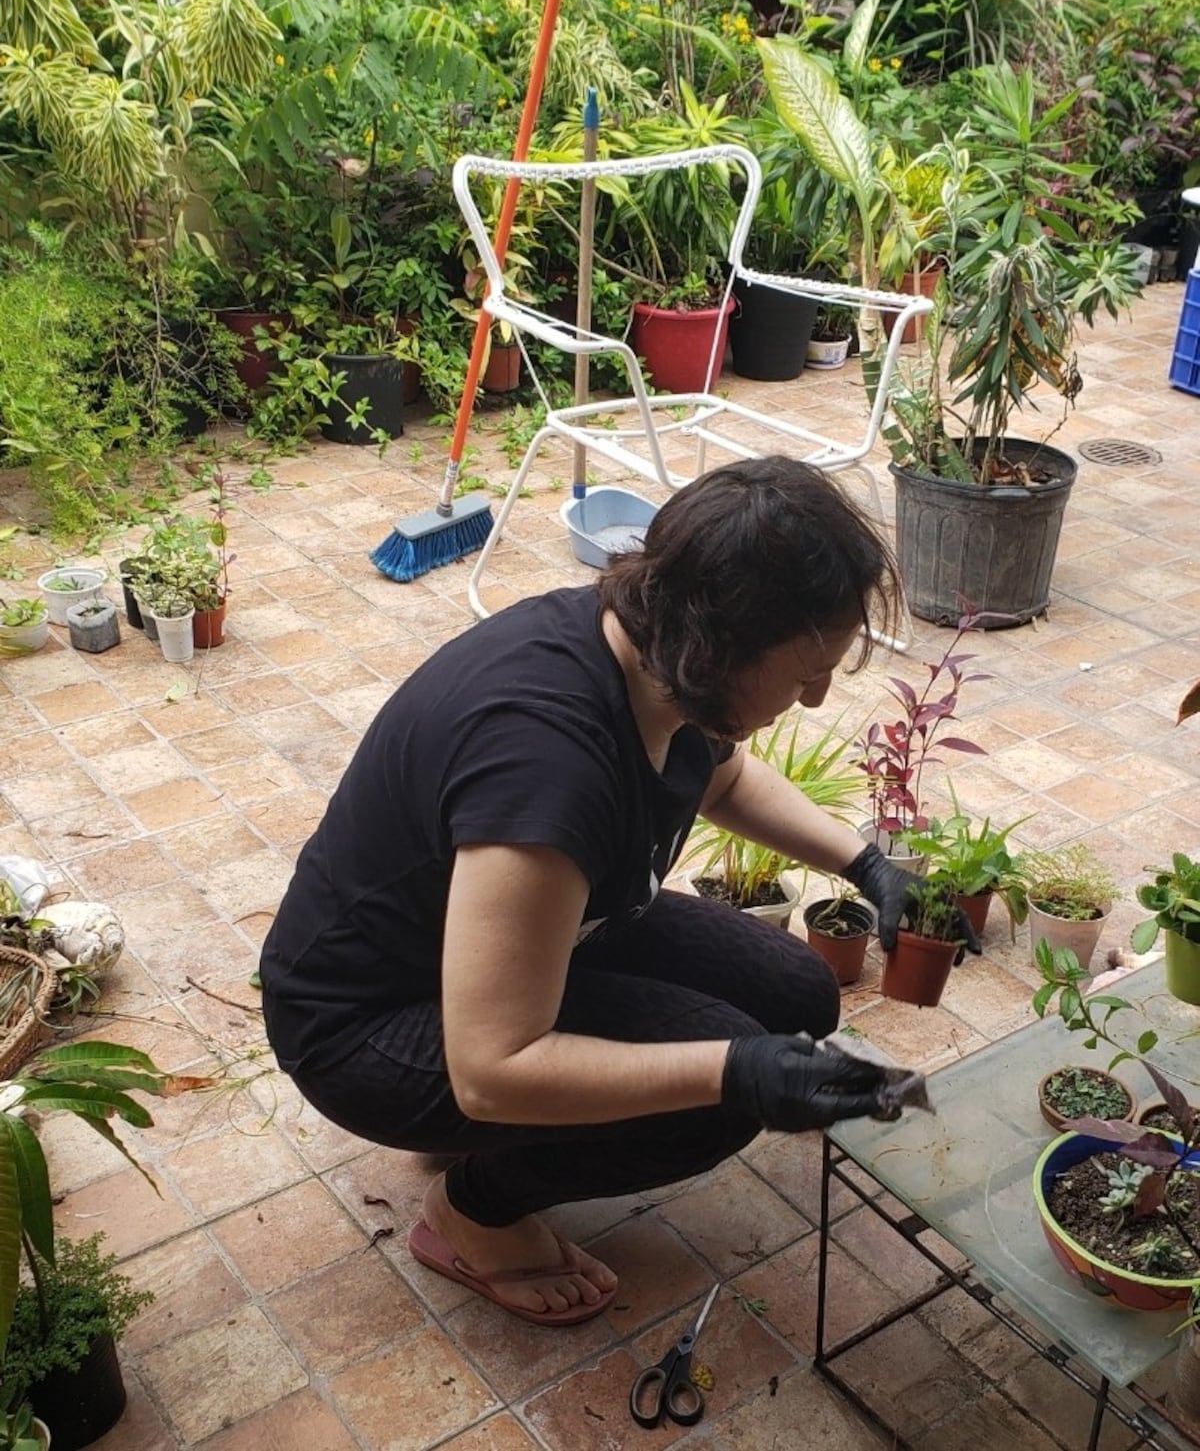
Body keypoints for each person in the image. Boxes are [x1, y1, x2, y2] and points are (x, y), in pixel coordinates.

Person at [260, 455, 978, 1327]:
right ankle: (472, 1211)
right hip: (368, 1020)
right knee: (714, 1095)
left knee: (795, 993)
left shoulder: (654, 653)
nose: (818, 697)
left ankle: (482, 1132)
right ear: (716, 645)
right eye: (804, 673)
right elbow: (493, 1066)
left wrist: (865, 864)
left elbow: (721, 781)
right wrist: (733, 1068)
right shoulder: (545, 764)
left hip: (525, 945)